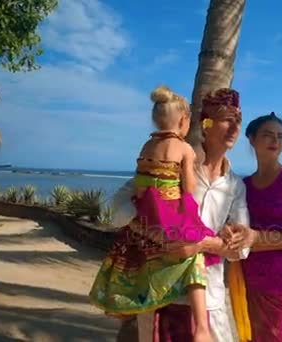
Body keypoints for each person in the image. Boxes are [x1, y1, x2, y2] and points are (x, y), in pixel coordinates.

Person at [110, 88, 250, 342]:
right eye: (227, 119)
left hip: (210, 299)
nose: (235, 127)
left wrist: (203, 242)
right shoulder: (170, 165)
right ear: (205, 124)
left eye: (238, 120)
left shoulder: (235, 185)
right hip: (162, 295)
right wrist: (155, 231)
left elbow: (240, 250)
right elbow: (115, 210)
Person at [89, 85, 223, 342]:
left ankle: (130, 299)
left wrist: (143, 209)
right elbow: (190, 186)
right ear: (184, 121)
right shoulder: (185, 149)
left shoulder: (146, 145)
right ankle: (202, 327)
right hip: (170, 209)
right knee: (196, 249)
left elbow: (140, 186)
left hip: (147, 207)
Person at [226, 112, 282, 342]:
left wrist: (256, 238)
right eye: (268, 135)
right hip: (247, 276)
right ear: (252, 139)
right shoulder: (242, 185)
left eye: (280, 136)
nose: (275, 141)